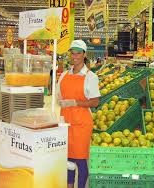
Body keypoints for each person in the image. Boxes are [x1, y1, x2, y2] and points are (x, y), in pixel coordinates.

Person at [56, 40, 100, 188]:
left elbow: (95, 102)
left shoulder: (90, 76)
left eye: (78, 53)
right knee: (67, 158)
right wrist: (61, 102)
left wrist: (75, 102)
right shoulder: (63, 75)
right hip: (65, 122)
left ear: (84, 54)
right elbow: (59, 97)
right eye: (72, 53)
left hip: (81, 124)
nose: (74, 56)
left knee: (80, 159)